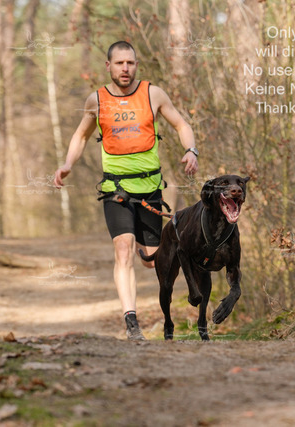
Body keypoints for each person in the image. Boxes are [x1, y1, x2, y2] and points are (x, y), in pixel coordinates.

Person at [54, 40, 198, 340]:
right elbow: (81, 136)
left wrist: (191, 150)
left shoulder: (153, 94)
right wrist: (67, 163)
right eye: (119, 63)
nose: (125, 68)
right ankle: (131, 321)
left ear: (136, 65)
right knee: (123, 248)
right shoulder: (96, 100)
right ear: (108, 66)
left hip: (150, 189)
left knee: (150, 260)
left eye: (130, 63)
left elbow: (181, 125)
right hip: (115, 189)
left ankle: (162, 273)